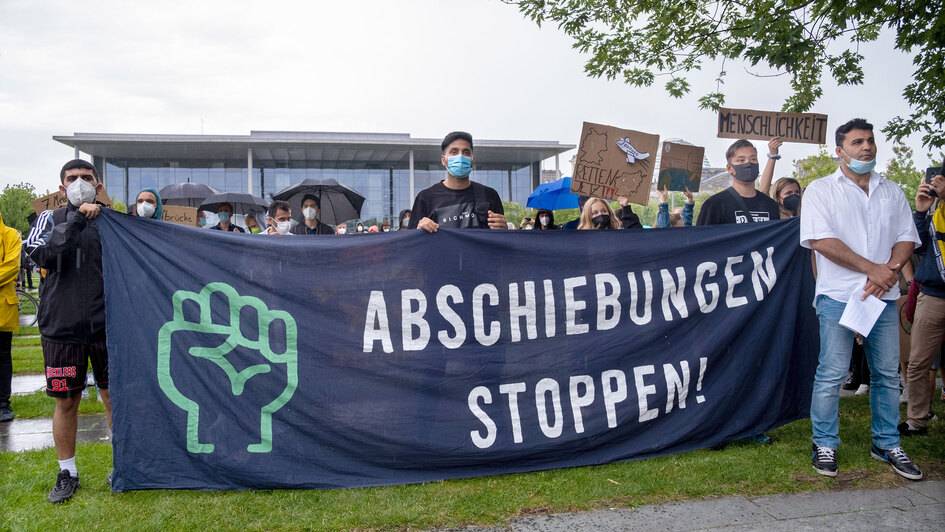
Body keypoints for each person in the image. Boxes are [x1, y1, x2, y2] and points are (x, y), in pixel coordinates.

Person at [800, 118, 922, 480]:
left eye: (870, 141)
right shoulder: (821, 190)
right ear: (840, 151)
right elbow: (821, 241)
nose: (866, 147)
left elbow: (906, 237)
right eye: (857, 142)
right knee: (832, 374)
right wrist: (875, 269)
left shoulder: (892, 190)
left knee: (886, 374)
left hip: (883, 299)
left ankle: (886, 443)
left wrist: (892, 268)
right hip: (839, 297)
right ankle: (824, 443)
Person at [24, 159, 114, 502]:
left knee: (113, 397)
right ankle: (68, 473)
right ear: (62, 189)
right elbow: (45, 256)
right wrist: (77, 216)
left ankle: (122, 464)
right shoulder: (48, 219)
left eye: (87, 178)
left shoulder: (113, 223)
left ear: (99, 185)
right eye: (72, 179)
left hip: (107, 325)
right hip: (62, 327)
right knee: (66, 401)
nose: (80, 182)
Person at [900, 170, 945, 436]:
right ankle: (917, 421)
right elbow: (916, 247)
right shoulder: (933, 209)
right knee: (917, 362)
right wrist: (920, 211)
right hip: (933, 294)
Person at [409, 131, 506, 232]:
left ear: (472, 160)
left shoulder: (489, 195)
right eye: (454, 152)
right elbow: (410, 242)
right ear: (443, 160)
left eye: (466, 152)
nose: (460, 157)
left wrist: (504, 229)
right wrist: (418, 230)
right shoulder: (425, 198)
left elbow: (500, 240)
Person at [696, 139, 781, 225]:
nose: (748, 163)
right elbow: (701, 236)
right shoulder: (714, 205)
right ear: (729, 168)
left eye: (753, 159)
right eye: (741, 160)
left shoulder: (771, 205)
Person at [0, 212, 21, 422]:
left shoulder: (10, 235)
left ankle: (2, 404)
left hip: (2, 310)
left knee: (2, 356)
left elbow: (12, 266)